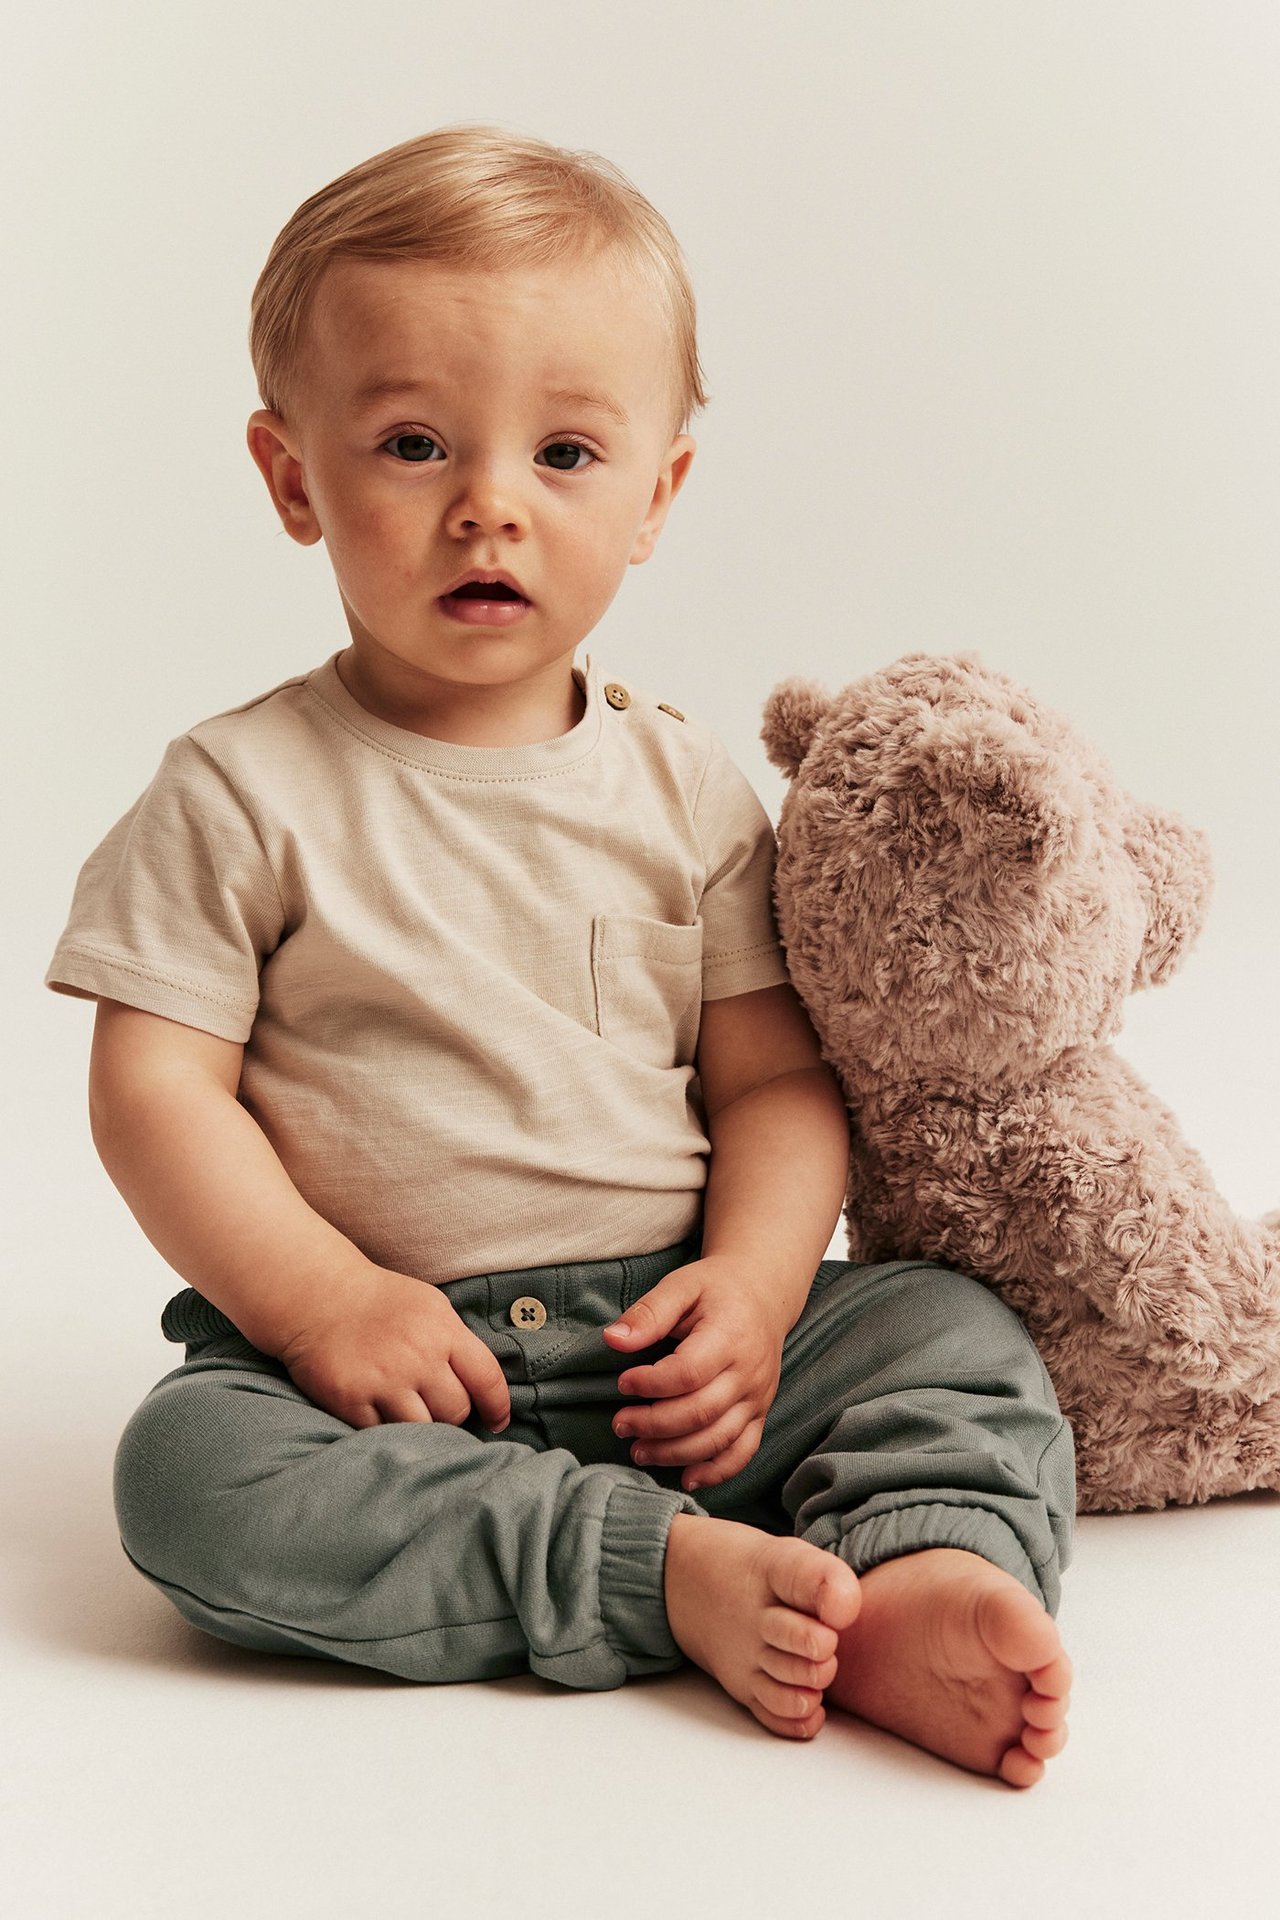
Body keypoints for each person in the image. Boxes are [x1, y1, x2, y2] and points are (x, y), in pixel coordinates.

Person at [45, 123, 1075, 1787]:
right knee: (189, 1479)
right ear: (294, 477)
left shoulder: (685, 789)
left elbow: (774, 1084)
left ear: (661, 491)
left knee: (943, 1328)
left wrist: (749, 1293)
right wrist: (321, 1305)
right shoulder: (240, 788)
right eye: (411, 443)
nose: (487, 509)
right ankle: (659, 1573)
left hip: (668, 1344)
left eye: (567, 456)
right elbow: (154, 1090)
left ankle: (919, 1572)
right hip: (384, 1373)